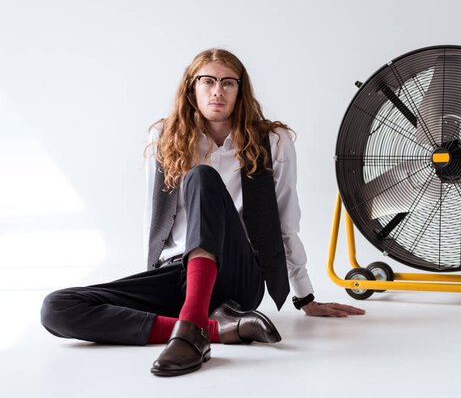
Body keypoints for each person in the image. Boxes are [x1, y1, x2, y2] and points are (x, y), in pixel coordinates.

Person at [40, 48, 365, 377]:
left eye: (228, 83)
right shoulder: (166, 137)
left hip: (238, 276)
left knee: (202, 178)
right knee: (56, 308)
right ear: (191, 88)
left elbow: (285, 222)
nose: (217, 91)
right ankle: (214, 330)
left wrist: (305, 296)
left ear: (241, 90)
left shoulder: (273, 140)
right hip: (180, 273)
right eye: (207, 81)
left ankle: (192, 324)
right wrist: (150, 277)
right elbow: (154, 220)